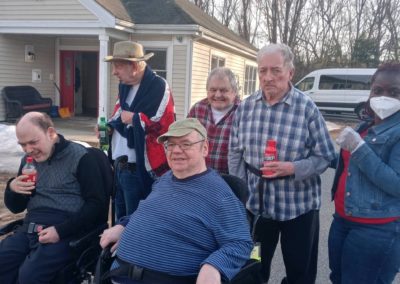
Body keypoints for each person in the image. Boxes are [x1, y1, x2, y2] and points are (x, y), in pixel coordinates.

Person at [228, 43, 336, 284]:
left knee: (300, 272)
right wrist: (241, 194)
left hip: (298, 207)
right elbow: (235, 153)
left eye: (276, 70)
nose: (268, 77)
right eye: (262, 70)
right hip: (256, 206)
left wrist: (294, 168)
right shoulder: (245, 108)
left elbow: (325, 155)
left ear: (290, 72)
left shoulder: (307, 108)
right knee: (253, 266)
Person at [100, 118, 253, 284]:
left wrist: (214, 266)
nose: (176, 150)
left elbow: (240, 243)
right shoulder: (165, 179)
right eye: (170, 145)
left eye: (185, 144)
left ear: (205, 148)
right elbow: (150, 210)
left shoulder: (219, 194)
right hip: (119, 274)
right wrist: (124, 225)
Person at [0, 112, 107, 284]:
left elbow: (96, 205)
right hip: (31, 226)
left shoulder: (81, 158)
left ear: (51, 133)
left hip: (68, 228)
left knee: (30, 276)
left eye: (33, 142)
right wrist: (13, 188)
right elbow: (16, 208)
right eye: (23, 145)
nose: (28, 150)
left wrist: (60, 231)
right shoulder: (28, 161)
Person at [328, 63, 400, 284]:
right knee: (338, 278)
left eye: (394, 92)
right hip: (342, 219)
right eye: (378, 90)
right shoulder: (365, 126)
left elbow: (396, 183)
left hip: (376, 228)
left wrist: (359, 149)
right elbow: (351, 167)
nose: (383, 96)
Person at [104, 40, 175, 219]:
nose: (114, 72)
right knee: (119, 218)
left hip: (138, 168)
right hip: (119, 164)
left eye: (118, 66)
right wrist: (110, 127)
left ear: (134, 66)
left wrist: (134, 118)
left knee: (135, 221)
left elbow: (162, 124)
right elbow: (119, 113)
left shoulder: (158, 86)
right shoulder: (124, 86)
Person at [187, 67, 240, 174]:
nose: (218, 95)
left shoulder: (243, 112)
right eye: (213, 90)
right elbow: (185, 141)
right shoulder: (198, 109)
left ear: (234, 92)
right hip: (198, 176)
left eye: (224, 90)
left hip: (229, 181)